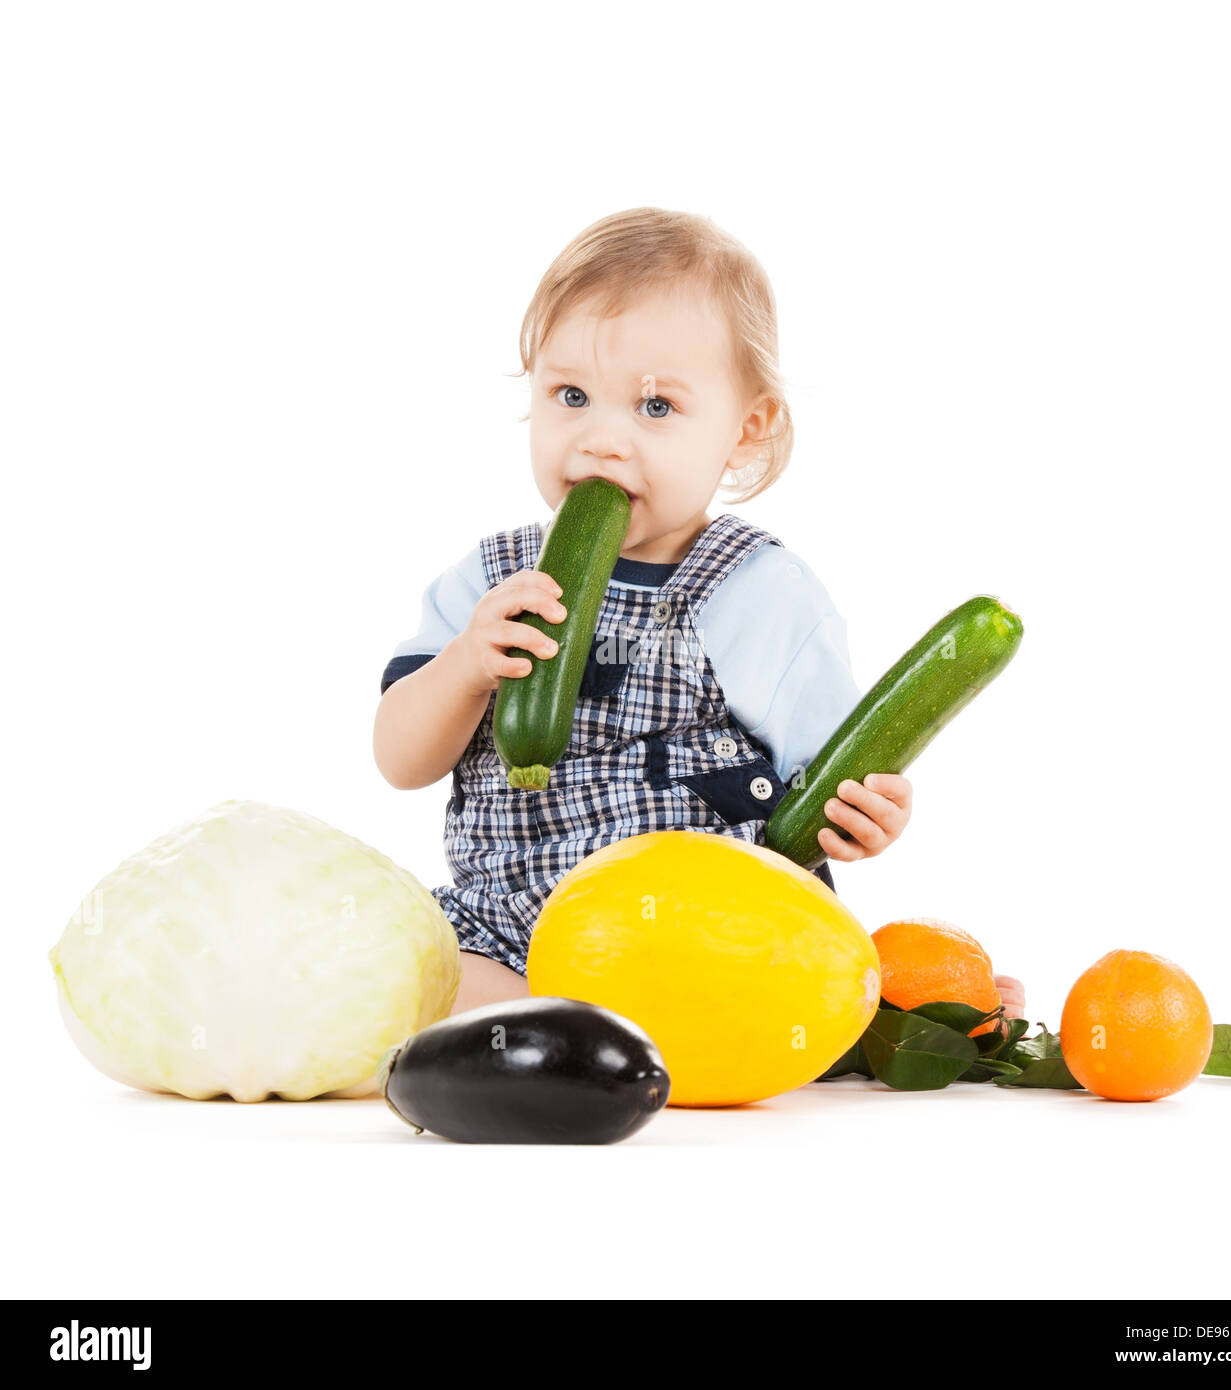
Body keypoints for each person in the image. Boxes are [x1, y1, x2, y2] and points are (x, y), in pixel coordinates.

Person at [373, 206, 1026, 1032]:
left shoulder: (760, 592)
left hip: (709, 939)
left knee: (808, 1002)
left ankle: (926, 1007)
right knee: (406, 991)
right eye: (571, 395)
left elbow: (825, 788)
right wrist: (467, 666)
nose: (602, 439)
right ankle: (576, 1034)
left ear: (744, 430)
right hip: (511, 932)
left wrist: (865, 815)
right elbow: (398, 758)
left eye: (655, 408)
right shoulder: (489, 580)